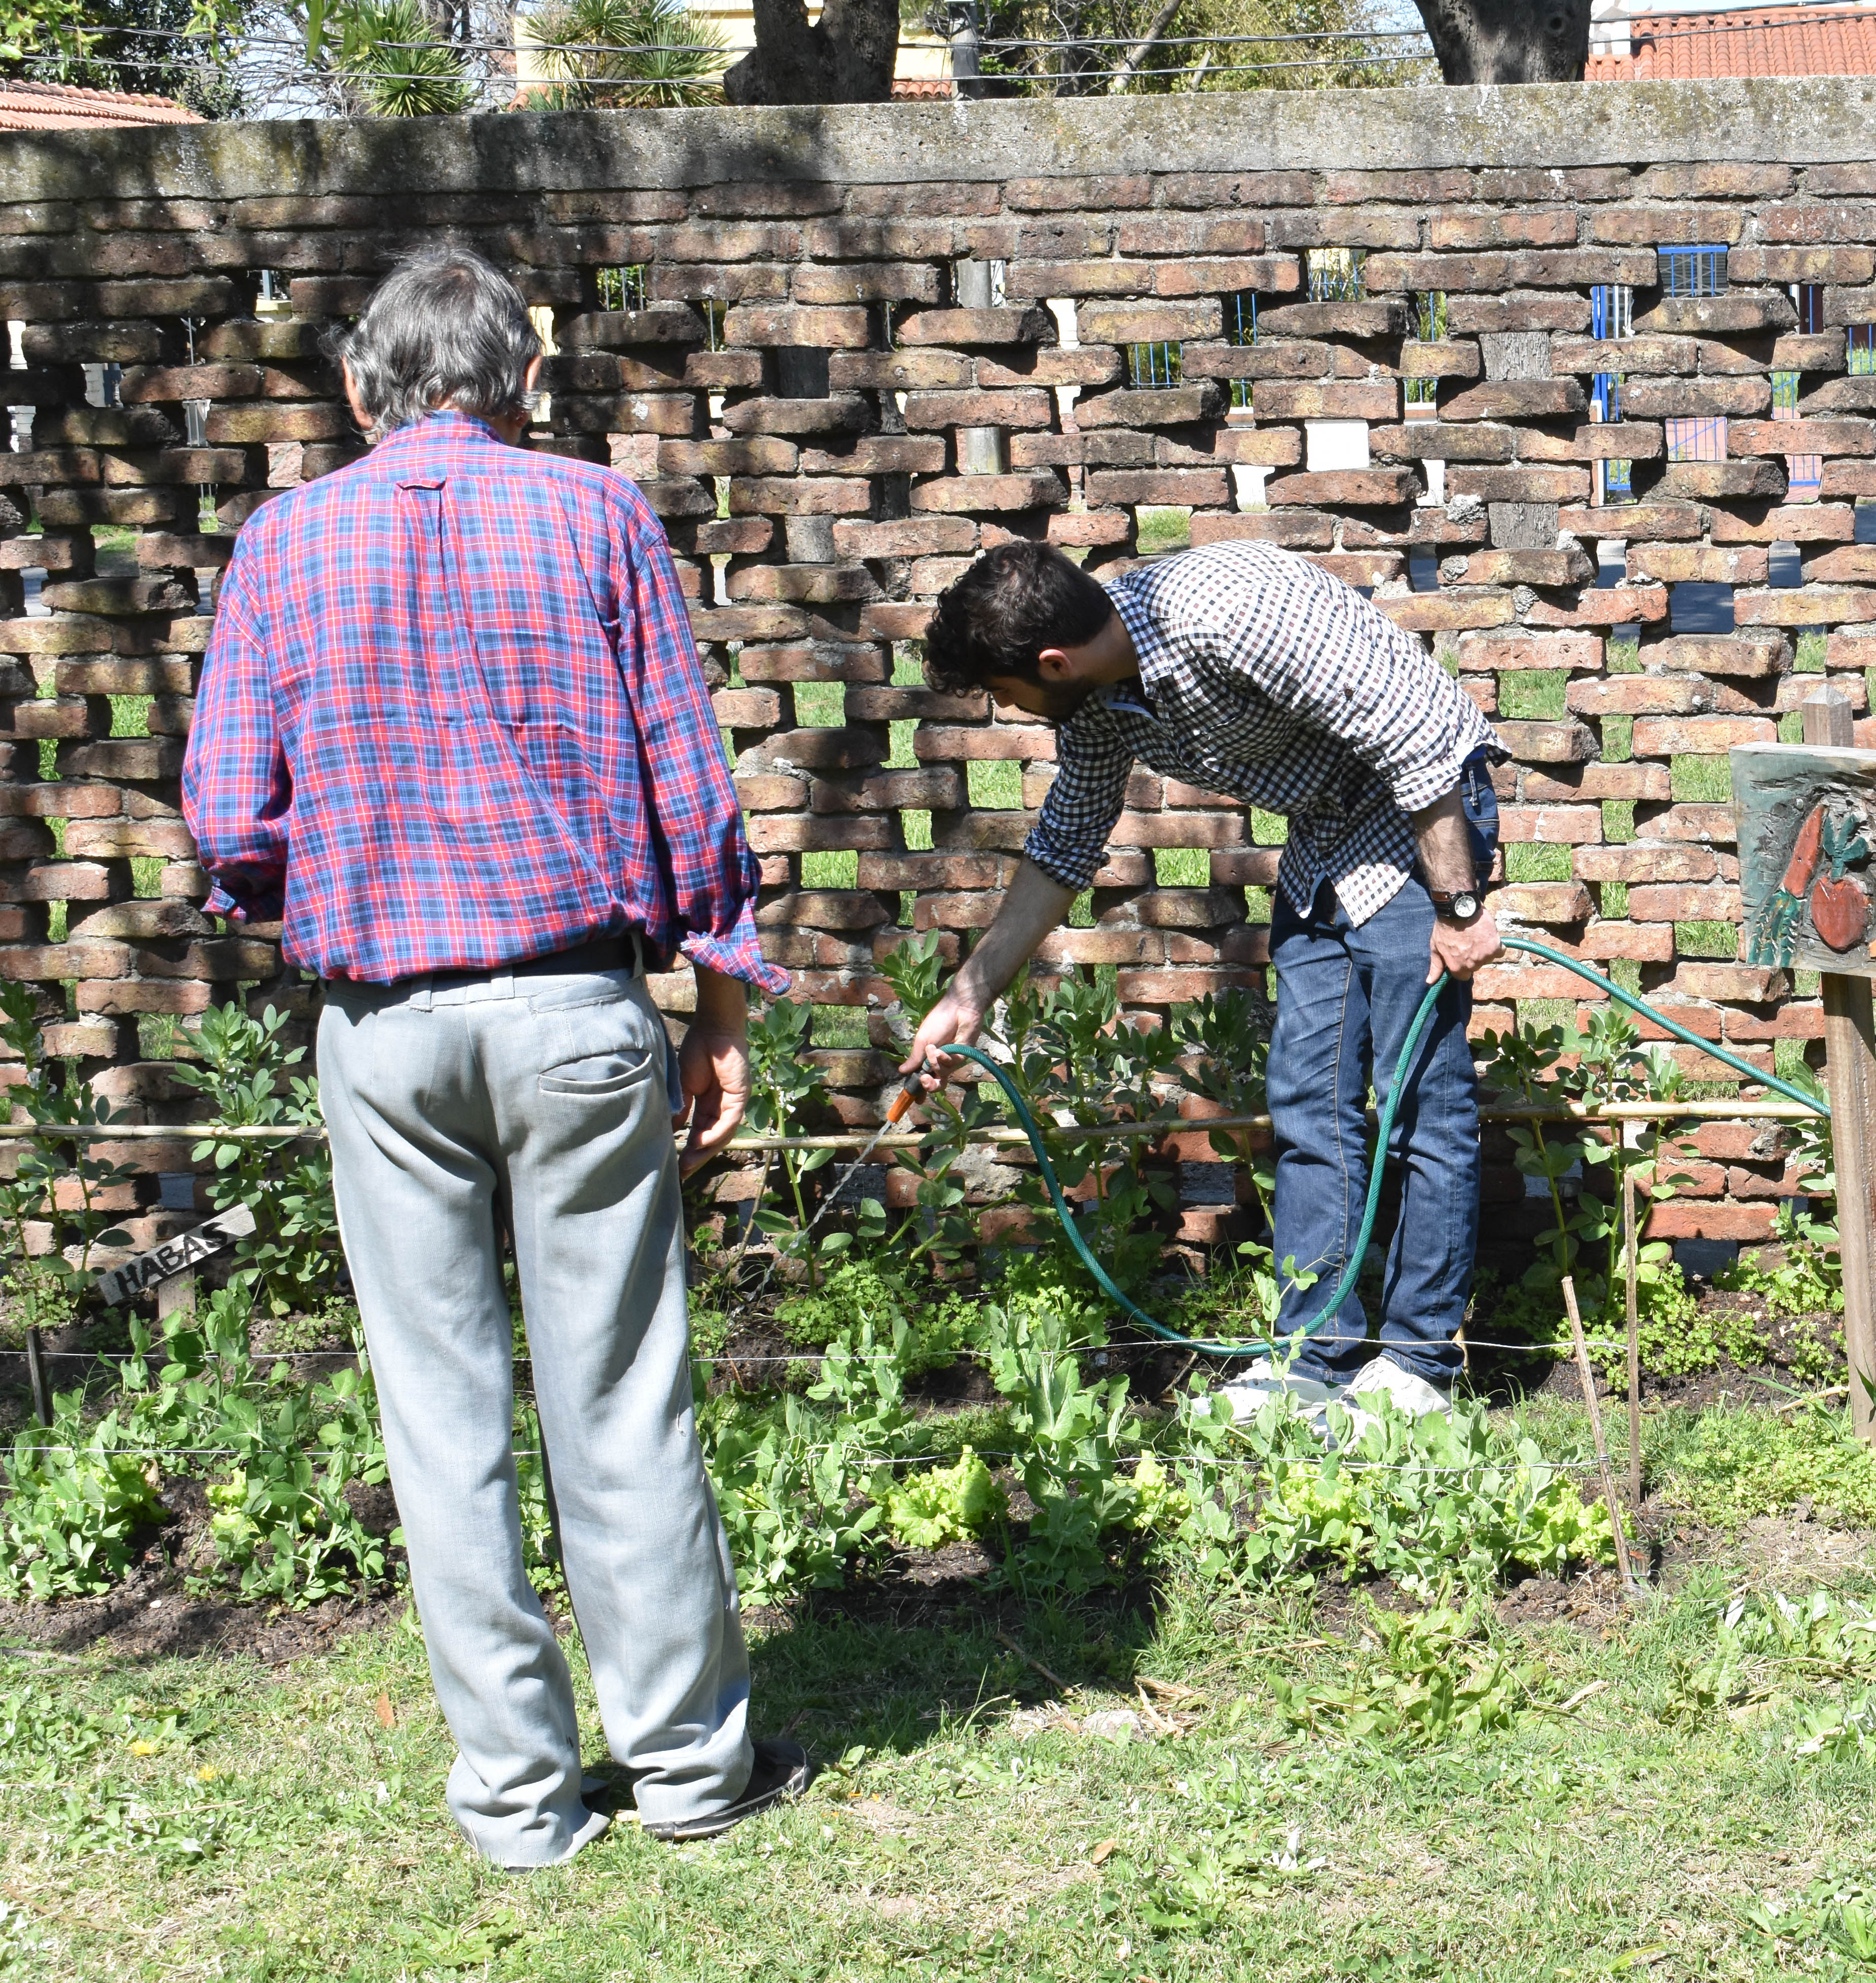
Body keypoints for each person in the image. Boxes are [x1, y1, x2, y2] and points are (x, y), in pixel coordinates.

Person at [181, 245, 807, 1870]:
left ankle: (522, 1803)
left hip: (382, 1022)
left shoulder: (281, 541)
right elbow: (690, 787)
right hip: (575, 1008)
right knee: (622, 1396)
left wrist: (312, 900)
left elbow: (226, 812)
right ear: (525, 380)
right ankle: (686, 1771)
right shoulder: (595, 515)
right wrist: (718, 1008)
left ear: (355, 388)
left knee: (438, 1412)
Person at [902, 538, 1503, 1425]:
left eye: (1007, 692)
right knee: (1307, 1099)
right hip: (1328, 837)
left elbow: (1416, 737)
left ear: (1053, 663)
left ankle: (1418, 1365)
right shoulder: (1103, 698)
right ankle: (1315, 1355)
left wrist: (1458, 908)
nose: (1011, 709)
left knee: (1418, 1099)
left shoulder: (1225, 613)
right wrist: (973, 991)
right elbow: (1068, 840)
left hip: (1424, 822)